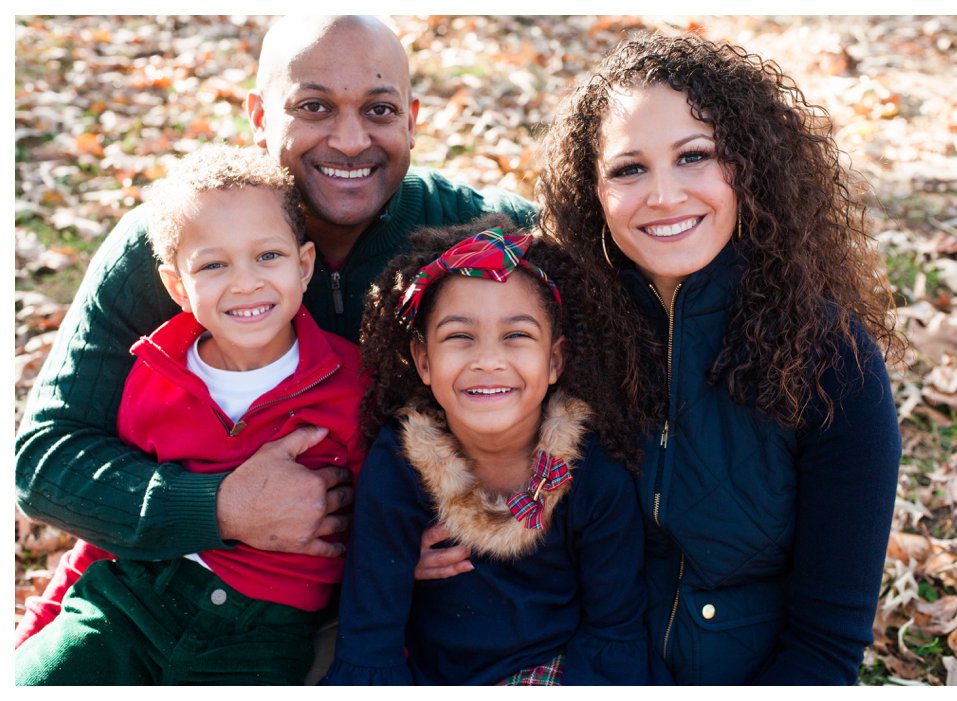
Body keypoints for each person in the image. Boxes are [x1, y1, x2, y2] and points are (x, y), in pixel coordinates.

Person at [14, 14, 536, 641]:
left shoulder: (486, 236)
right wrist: (221, 508)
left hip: (420, 613)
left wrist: (395, 546)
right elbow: (45, 462)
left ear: (413, 119)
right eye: (314, 107)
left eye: (379, 109)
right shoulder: (176, 248)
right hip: (175, 599)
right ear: (260, 117)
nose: (349, 140)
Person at [419, 34, 904, 684]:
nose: (664, 194)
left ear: (748, 164)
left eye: (693, 156)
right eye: (628, 169)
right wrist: (429, 533)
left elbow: (825, 643)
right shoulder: (563, 329)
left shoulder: (831, 360)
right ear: (591, 190)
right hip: (571, 664)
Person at [16, 144, 368, 684]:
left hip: (264, 632)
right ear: (177, 287)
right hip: (131, 602)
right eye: (214, 265)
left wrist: (404, 565)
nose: (246, 281)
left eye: (268, 256)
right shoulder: (155, 374)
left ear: (304, 265)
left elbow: (383, 507)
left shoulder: (349, 384)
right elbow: (109, 525)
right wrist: (36, 631)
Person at [320, 216, 658, 685]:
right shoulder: (400, 461)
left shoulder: (590, 466)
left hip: (555, 672)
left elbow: (614, 625)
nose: (488, 360)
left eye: (517, 336)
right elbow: (369, 635)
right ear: (423, 361)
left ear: (555, 360)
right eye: (459, 337)